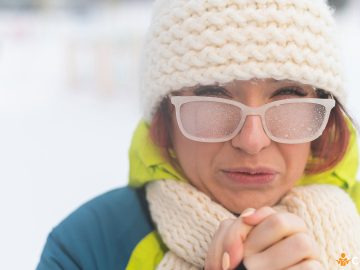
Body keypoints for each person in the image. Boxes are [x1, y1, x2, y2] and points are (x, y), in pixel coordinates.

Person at [37, 0, 360, 269]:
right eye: (213, 99)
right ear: (166, 116)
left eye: (288, 97)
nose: (252, 141)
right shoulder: (88, 248)